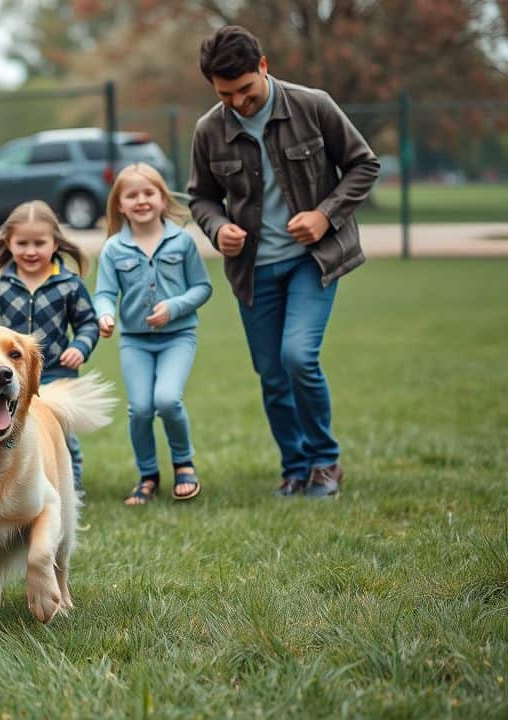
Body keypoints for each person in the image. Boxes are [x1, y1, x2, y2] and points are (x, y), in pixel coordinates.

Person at [187, 25, 379, 498]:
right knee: (272, 373)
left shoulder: (313, 105)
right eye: (225, 94)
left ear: (264, 67)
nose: (238, 103)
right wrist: (218, 229)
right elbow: (201, 199)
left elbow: (364, 164)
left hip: (313, 260)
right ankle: (295, 468)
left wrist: (324, 215)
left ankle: (325, 462)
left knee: (298, 357)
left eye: (245, 90)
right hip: (254, 272)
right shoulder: (209, 129)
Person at [0, 199, 99, 493]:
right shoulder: (0, 281)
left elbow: (88, 322)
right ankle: (17, 486)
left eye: (40, 242)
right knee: (18, 432)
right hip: (10, 374)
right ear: (8, 243)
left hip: (55, 370)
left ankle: (69, 486)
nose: (31, 250)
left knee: (59, 435)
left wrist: (81, 347)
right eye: (22, 243)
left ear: (55, 243)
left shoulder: (69, 284)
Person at [95, 163, 212, 505]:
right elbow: (103, 293)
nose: (141, 200)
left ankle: (183, 464)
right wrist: (105, 314)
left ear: (162, 199)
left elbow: (202, 288)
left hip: (179, 337)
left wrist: (174, 307)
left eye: (149, 193)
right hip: (135, 341)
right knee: (141, 409)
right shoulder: (114, 249)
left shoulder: (182, 241)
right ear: (120, 205)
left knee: (166, 400)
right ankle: (147, 475)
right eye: (132, 195)